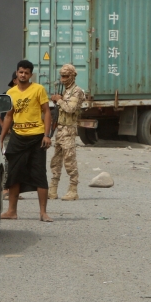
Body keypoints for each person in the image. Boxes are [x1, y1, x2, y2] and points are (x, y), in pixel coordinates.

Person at [0, 60, 53, 222]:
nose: (23, 75)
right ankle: (11, 211)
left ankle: (43, 213)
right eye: (20, 72)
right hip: (17, 137)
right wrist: (1, 139)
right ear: (17, 73)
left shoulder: (38, 89)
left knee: (39, 175)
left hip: (37, 137)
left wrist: (47, 135)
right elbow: (9, 116)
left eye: (26, 73)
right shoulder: (11, 93)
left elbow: (47, 112)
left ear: (31, 75)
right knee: (14, 174)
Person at [49, 64, 86, 201]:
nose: (63, 79)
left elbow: (70, 108)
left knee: (70, 160)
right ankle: (53, 188)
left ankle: (73, 189)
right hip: (60, 128)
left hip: (69, 129)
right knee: (56, 160)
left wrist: (59, 100)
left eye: (66, 76)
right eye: (62, 76)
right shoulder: (65, 91)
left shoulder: (77, 91)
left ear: (72, 76)